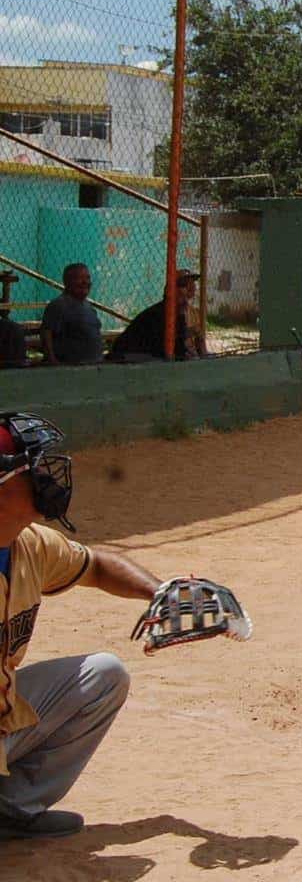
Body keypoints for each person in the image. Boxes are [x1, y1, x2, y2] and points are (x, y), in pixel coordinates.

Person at [0, 412, 164, 839]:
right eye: (33, 469)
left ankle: (10, 811)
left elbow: (97, 566)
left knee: (102, 676)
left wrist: (160, 592)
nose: (47, 477)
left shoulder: (26, 545)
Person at [109, 270, 207, 361]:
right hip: (126, 357)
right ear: (169, 290)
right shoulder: (159, 314)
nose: (191, 288)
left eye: (191, 284)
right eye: (183, 285)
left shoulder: (183, 313)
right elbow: (174, 350)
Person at [39, 263, 102, 365]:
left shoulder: (89, 307)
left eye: (87, 277)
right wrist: (52, 360)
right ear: (67, 282)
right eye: (79, 278)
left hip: (95, 367)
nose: (85, 282)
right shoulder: (59, 305)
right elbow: (46, 333)